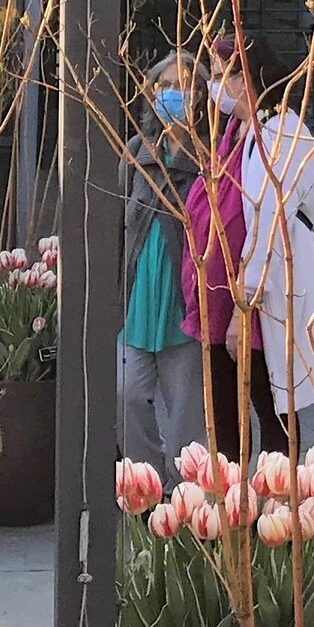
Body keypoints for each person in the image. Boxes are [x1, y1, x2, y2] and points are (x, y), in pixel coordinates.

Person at [181, 35, 314, 461]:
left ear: (246, 77)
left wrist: (242, 307)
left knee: (271, 415)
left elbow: (271, 223)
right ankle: (234, 516)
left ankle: (275, 515)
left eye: (219, 77)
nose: (213, 87)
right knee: (225, 418)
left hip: (259, 298)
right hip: (220, 295)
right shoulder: (236, 130)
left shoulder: (282, 132)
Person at [117, 51, 208, 491]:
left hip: (183, 302)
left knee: (186, 421)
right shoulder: (137, 151)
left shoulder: (209, 156)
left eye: (184, 85)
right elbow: (117, 222)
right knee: (127, 395)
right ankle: (147, 490)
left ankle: (186, 502)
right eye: (164, 86)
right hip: (138, 300)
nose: (173, 94)